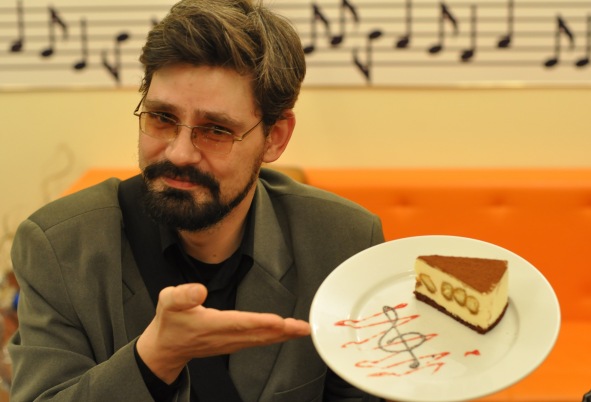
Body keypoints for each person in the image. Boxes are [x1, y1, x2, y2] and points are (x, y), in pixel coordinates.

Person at [8, 1, 385, 401]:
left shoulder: (344, 241)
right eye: (162, 118)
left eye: (216, 130)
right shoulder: (58, 247)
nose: (179, 153)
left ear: (274, 138)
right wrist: (154, 358)